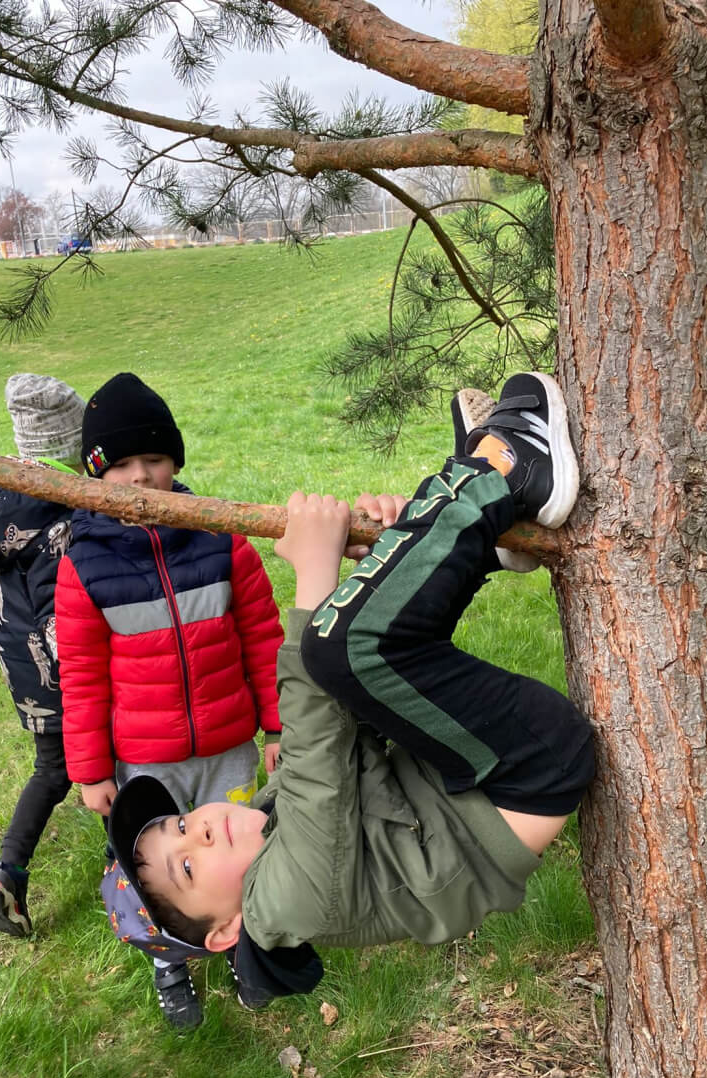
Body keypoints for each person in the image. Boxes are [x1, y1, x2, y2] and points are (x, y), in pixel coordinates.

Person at [104, 372, 596, 999]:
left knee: (351, 652)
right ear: (226, 931)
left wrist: (378, 568)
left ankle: (471, 533)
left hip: (467, 776)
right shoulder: (284, 906)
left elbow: (346, 721)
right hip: (528, 773)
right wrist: (316, 577)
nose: (197, 832)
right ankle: (507, 472)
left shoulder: (263, 824)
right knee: (337, 648)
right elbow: (318, 760)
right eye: (188, 868)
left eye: (179, 826)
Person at [55, 371, 285, 1028]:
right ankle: (168, 961)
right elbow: (81, 676)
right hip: (144, 762)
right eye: (120, 465)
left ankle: (248, 943)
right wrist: (91, 771)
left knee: (240, 853)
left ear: (176, 463)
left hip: (229, 750)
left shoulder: (222, 538)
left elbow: (263, 637)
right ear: (94, 476)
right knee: (159, 869)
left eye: (154, 458)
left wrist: (278, 727)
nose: (140, 476)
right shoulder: (84, 564)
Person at [0, 373, 86, 938]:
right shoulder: (63, 514)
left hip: (22, 672)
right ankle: (128, 867)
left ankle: (7, 871)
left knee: (52, 769)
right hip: (71, 669)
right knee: (112, 764)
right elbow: (61, 607)